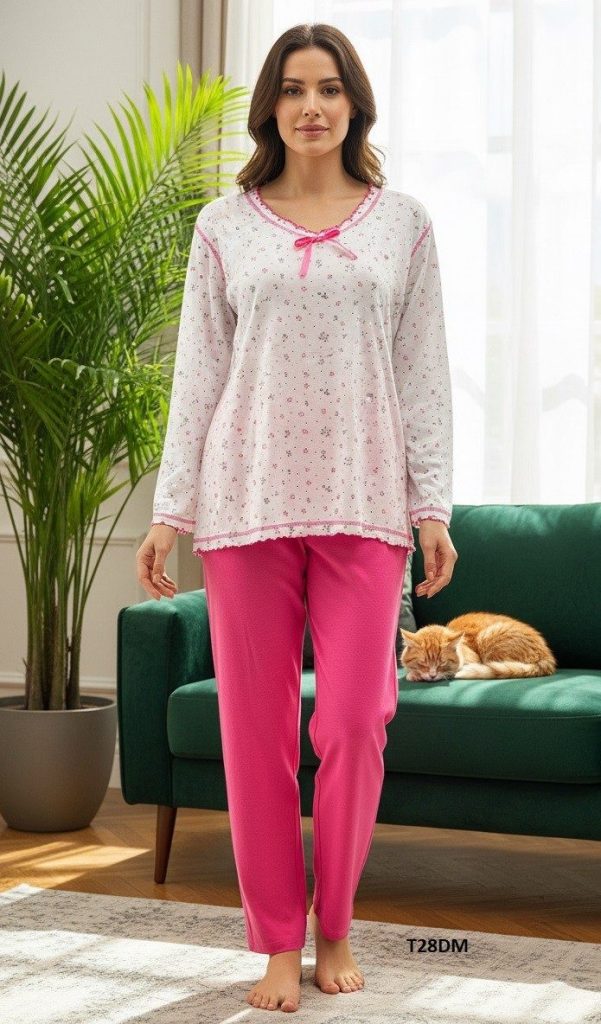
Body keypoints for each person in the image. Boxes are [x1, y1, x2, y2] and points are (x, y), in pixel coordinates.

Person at [136, 22, 458, 1014]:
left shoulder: (403, 224)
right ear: (269, 106)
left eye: (327, 88)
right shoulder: (222, 227)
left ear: (354, 104)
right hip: (246, 506)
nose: (309, 106)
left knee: (356, 719)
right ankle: (277, 939)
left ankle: (336, 924)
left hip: (364, 504)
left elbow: (423, 375)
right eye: (290, 88)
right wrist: (169, 510)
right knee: (255, 735)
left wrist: (430, 507)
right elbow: (197, 375)